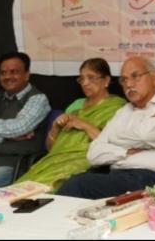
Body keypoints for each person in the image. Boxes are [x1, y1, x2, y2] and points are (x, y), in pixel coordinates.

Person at [56, 56, 155, 199]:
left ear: (154, 77)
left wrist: (114, 138)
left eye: (135, 76)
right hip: (119, 175)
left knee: (78, 184)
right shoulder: (124, 110)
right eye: (124, 80)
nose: (128, 84)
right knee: (74, 182)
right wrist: (125, 151)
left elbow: (147, 136)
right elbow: (94, 154)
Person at [14, 58, 126, 191]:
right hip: (53, 162)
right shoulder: (75, 106)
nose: (85, 83)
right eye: (82, 79)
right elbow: (51, 149)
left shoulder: (118, 107)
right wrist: (55, 127)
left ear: (106, 80)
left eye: (91, 78)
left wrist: (84, 125)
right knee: (16, 191)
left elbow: (110, 145)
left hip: (84, 164)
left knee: (43, 191)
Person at [0, 51, 51, 187]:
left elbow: (19, 128)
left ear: (26, 75)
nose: (7, 77)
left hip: (14, 164)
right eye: (3, 73)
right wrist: (6, 137)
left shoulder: (38, 99)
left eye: (14, 72)